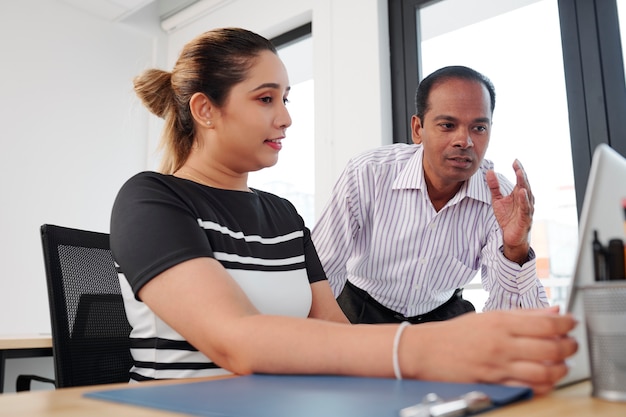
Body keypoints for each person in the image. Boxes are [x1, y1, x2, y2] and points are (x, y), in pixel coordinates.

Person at [110, 28, 577, 395]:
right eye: (266, 98)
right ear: (206, 110)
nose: (287, 117)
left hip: (277, 400)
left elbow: (329, 327)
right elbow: (239, 341)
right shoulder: (150, 200)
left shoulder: (283, 216)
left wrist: (512, 256)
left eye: (286, 98)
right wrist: (426, 349)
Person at [311, 65, 548, 324]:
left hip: (442, 313)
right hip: (361, 306)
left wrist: (516, 248)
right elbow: (321, 270)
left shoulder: (500, 199)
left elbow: (512, 318)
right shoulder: (368, 173)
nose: (465, 141)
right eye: (448, 125)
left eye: (478, 128)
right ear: (418, 129)